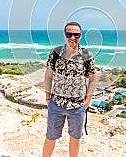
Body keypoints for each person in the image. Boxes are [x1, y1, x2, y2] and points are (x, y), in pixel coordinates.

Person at [42, 22, 97, 157]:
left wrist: (87, 102)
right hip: (56, 104)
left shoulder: (87, 55)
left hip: (77, 106)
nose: (73, 37)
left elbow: (93, 79)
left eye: (76, 34)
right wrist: (48, 98)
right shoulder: (55, 53)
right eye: (69, 34)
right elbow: (48, 76)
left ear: (81, 36)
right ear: (64, 35)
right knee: (50, 137)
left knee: (75, 138)